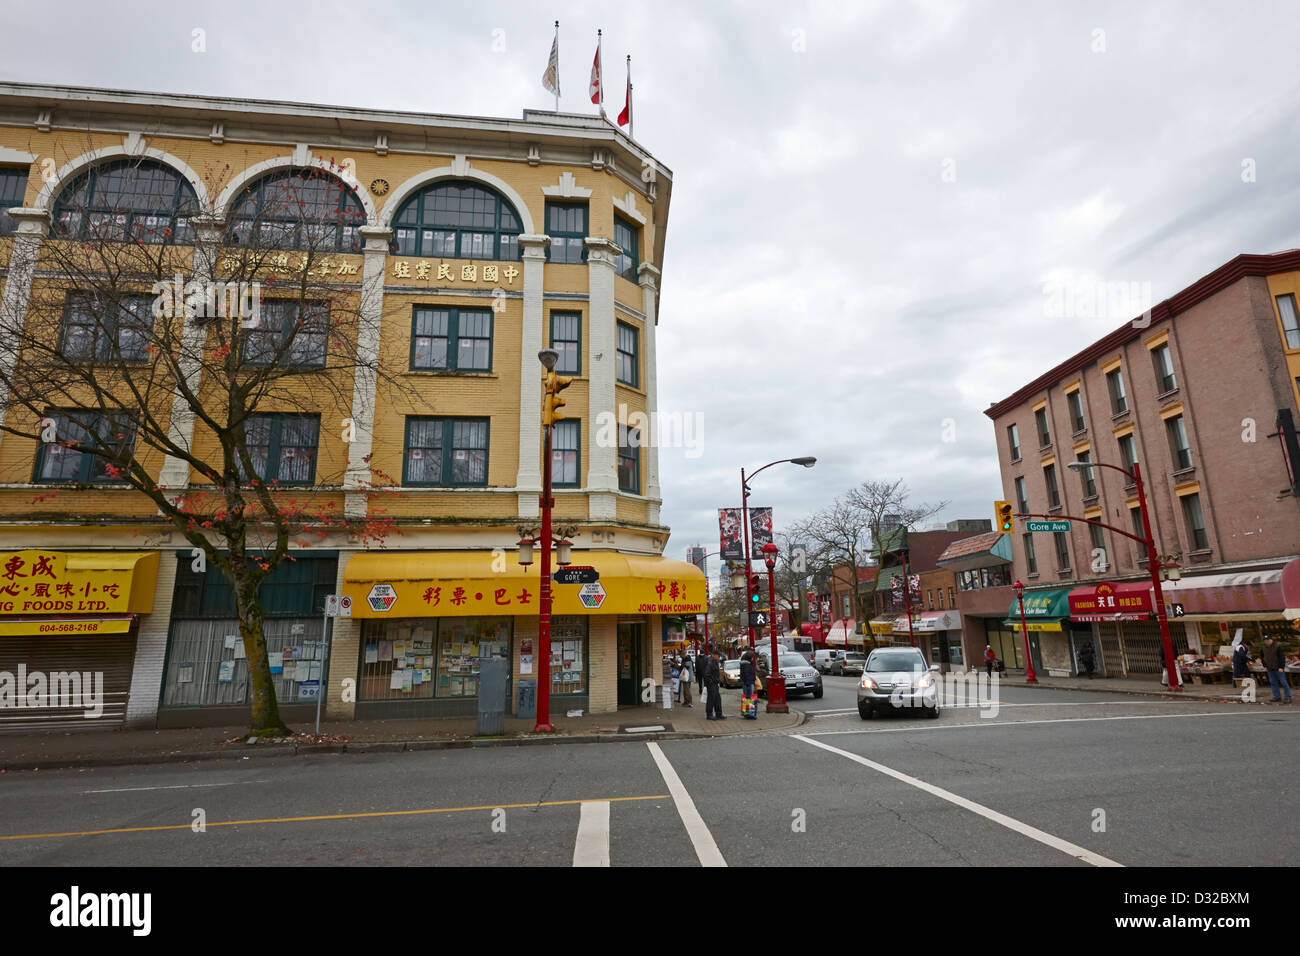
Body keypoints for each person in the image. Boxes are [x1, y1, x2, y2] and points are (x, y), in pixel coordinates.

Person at [1261, 636, 1292, 703]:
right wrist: (1265, 666)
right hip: (1270, 668)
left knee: (1283, 682)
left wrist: (1281, 667)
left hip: (1278, 668)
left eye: (1268, 640)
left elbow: (1282, 657)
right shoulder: (1263, 648)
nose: (1267, 641)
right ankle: (1277, 697)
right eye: (1266, 640)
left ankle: (1288, 697)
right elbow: (1262, 658)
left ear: (1271, 640)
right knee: (1273, 683)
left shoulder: (1277, 647)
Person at [704, 650, 725, 720]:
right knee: (711, 699)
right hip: (712, 684)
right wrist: (711, 682)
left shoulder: (714, 661)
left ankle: (719, 713)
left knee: (717, 699)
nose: (719, 658)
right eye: (718, 656)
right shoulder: (710, 662)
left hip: (715, 683)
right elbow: (707, 674)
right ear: (714, 655)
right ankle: (709, 714)